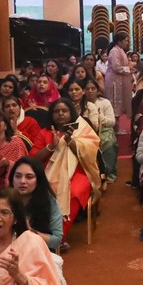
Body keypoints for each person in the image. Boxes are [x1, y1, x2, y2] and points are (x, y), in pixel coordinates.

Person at [37, 100, 101, 239]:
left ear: (71, 112)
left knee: (74, 192)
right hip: (49, 173)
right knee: (43, 191)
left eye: (64, 111)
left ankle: (58, 237)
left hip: (79, 172)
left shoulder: (82, 129)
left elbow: (91, 153)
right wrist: (52, 146)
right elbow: (34, 158)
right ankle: (42, 234)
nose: (60, 114)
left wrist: (70, 141)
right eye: (56, 111)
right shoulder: (44, 133)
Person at [9, 157, 64, 253]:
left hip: (38, 253)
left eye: (29, 177)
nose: (22, 181)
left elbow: (56, 241)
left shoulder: (49, 202)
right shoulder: (3, 200)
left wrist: (30, 232)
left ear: (38, 180)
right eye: (18, 176)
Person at [83, 79, 118, 183]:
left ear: (98, 91)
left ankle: (108, 173)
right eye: (87, 89)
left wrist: (100, 117)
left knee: (108, 141)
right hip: (85, 132)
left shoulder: (104, 102)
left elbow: (112, 122)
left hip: (104, 130)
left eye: (93, 88)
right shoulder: (81, 103)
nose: (90, 91)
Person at [105, 32, 135, 130]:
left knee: (118, 104)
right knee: (115, 104)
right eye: (126, 41)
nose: (127, 43)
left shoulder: (120, 50)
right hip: (114, 81)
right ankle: (114, 128)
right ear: (119, 41)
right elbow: (116, 67)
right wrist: (129, 68)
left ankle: (117, 127)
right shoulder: (114, 51)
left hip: (119, 81)